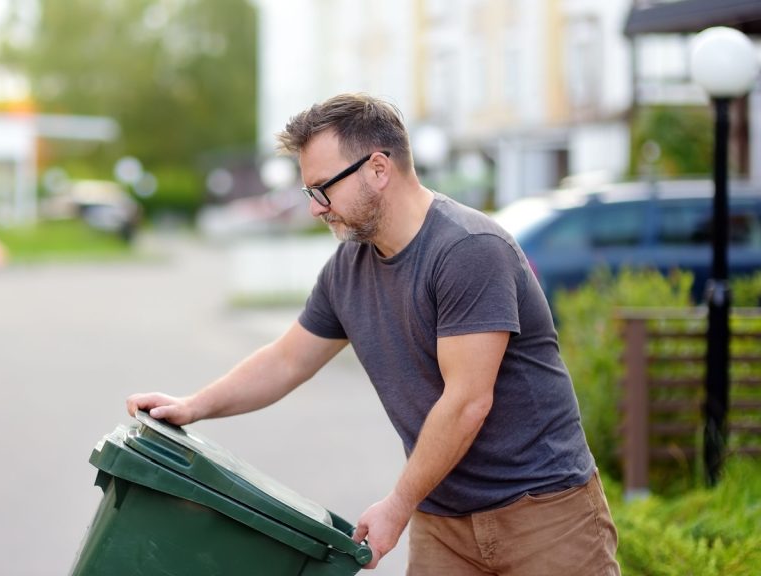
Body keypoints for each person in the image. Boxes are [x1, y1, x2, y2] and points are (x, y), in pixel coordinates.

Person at [127, 93, 620, 575]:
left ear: (378, 170)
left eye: (324, 187)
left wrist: (397, 504)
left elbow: (468, 400)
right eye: (309, 192)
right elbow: (287, 360)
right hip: (443, 521)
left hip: (543, 515)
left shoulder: (468, 250)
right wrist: (194, 405)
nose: (316, 207)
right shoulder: (349, 266)